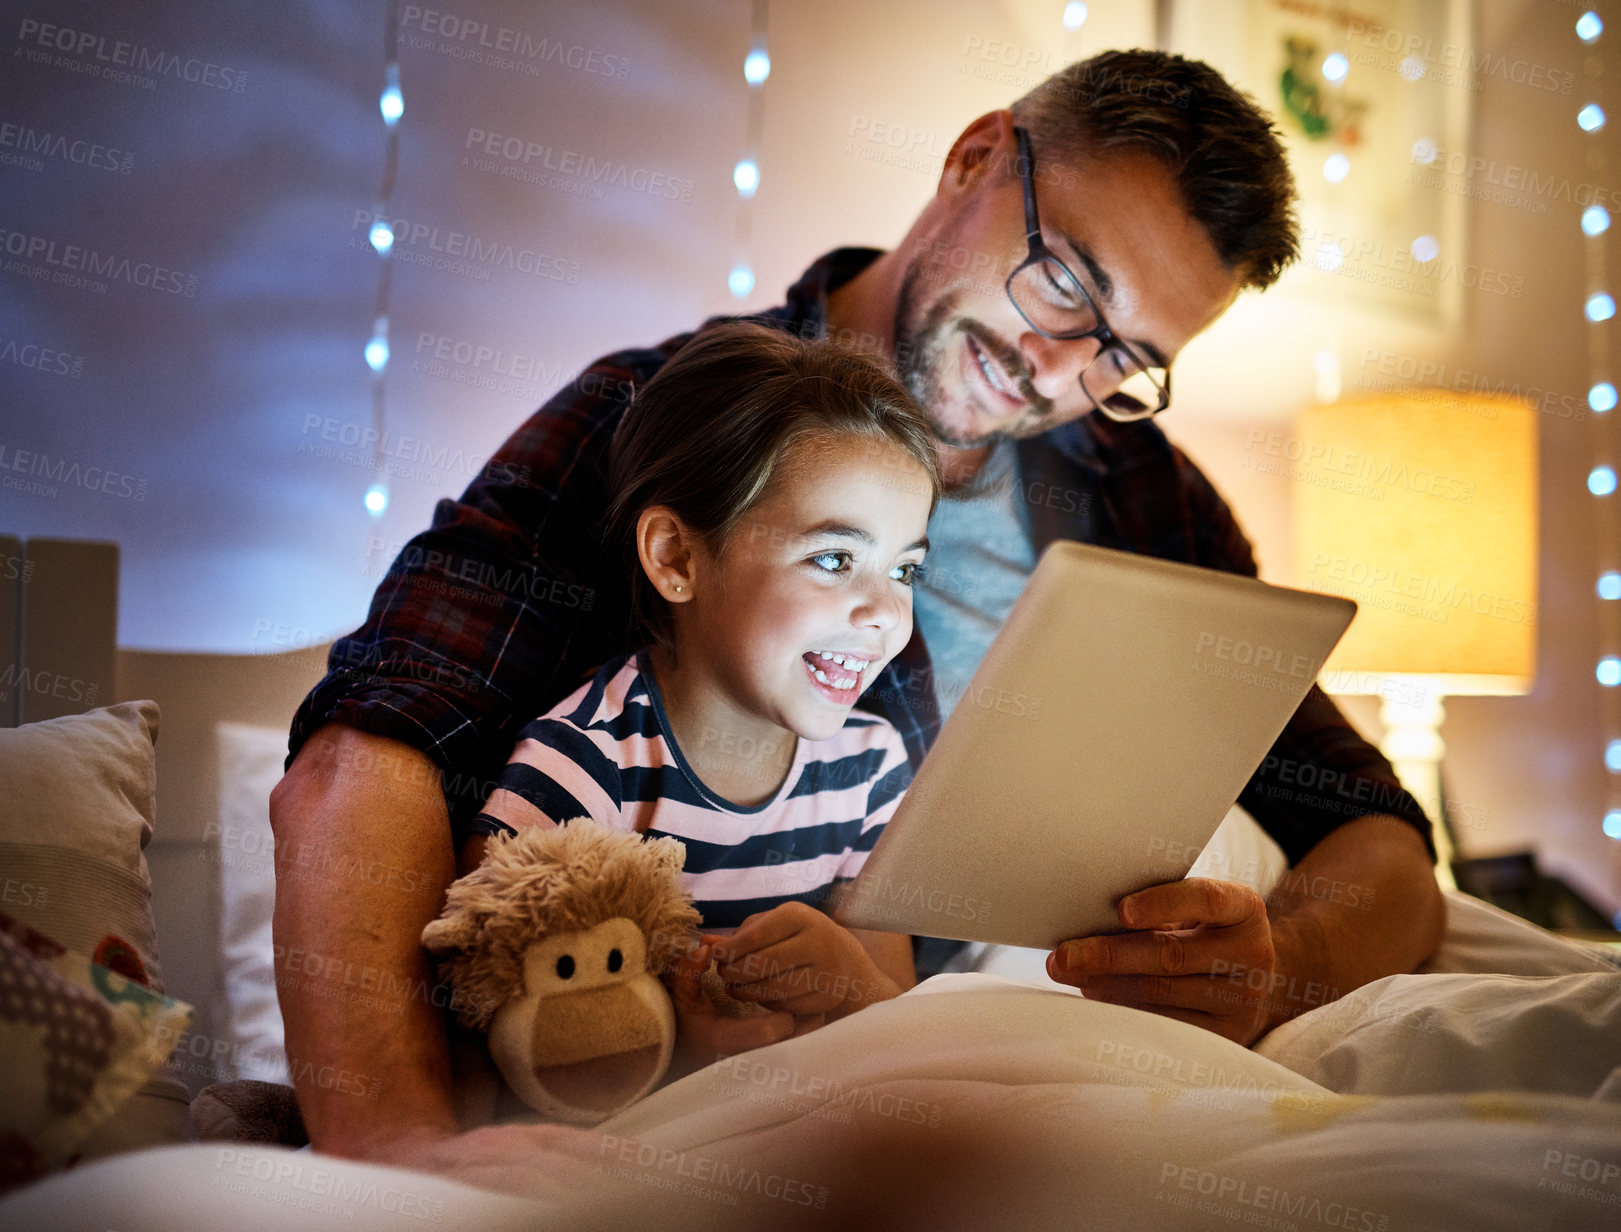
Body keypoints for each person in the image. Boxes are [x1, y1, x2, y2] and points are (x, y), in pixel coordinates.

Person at [271, 49, 1444, 1176]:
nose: (1053, 363)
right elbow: (367, 753)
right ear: (975, 157)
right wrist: (400, 1155)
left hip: (1042, 1065)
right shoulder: (672, 423)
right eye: (1067, 282)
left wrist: (1283, 963)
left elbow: (1378, 831)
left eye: (1121, 354)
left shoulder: (1146, 495)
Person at [461, 322, 932, 1081]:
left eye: (904, 570)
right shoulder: (583, 764)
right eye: (834, 558)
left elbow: (895, 1041)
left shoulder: (870, 764)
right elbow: (501, 1049)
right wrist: (679, 1049)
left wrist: (854, 988)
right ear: (676, 559)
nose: (884, 613)